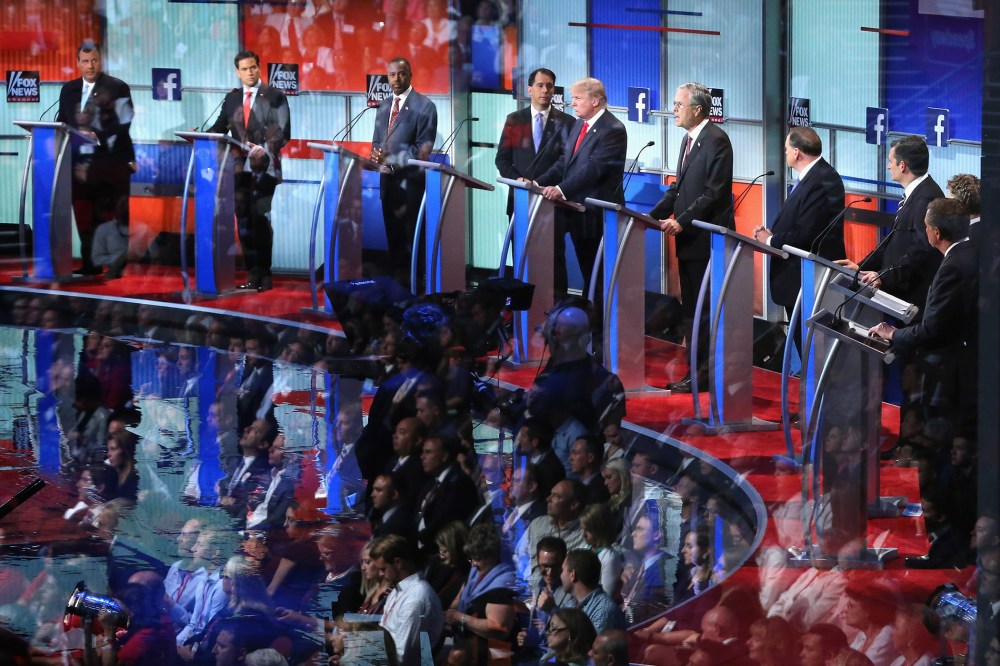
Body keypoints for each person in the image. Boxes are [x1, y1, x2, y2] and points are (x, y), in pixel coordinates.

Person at [648, 82, 734, 392]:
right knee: (691, 311)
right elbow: (678, 189)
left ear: (697, 110)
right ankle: (695, 374)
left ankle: (705, 377)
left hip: (706, 243)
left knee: (704, 312)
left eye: (678, 105)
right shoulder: (688, 140)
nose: (673, 110)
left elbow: (714, 193)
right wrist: (651, 216)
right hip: (689, 243)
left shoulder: (717, 141)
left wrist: (681, 222)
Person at [868, 198, 977, 435]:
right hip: (965, 363)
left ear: (936, 232)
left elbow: (932, 328)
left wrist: (893, 333)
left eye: (926, 227)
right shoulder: (972, 251)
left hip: (949, 369)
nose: (925, 230)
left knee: (939, 435)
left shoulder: (952, 266)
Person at [534, 77, 627, 299]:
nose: (572, 103)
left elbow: (594, 169)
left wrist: (560, 189)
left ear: (595, 100)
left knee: (596, 274)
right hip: (573, 209)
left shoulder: (613, 129)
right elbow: (565, 162)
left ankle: (599, 326)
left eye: (577, 98)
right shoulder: (579, 124)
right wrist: (538, 182)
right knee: (581, 269)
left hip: (596, 215)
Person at [207, 49, 291, 292]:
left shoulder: (275, 96)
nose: (250, 72)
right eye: (244, 69)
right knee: (243, 221)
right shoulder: (232, 98)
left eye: (253, 67)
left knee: (260, 220)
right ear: (238, 72)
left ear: (259, 66)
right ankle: (252, 273)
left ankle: (265, 274)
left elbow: (283, 133)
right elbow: (218, 127)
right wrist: (201, 135)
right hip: (236, 169)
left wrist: (264, 149)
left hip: (265, 169)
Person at [56, 40, 137, 276]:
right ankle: (90, 263)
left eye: (94, 60)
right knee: (82, 213)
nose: (90, 65)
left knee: (107, 214)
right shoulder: (68, 89)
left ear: (101, 61)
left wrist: (96, 135)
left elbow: (124, 122)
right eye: (85, 61)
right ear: (78, 63)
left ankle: (113, 263)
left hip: (109, 161)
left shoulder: (117, 87)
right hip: (78, 164)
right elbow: (63, 121)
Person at [752, 126, 846, 319]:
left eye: (787, 149)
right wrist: (773, 236)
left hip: (808, 279)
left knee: (809, 345)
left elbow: (807, 234)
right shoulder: (815, 176)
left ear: (796, 152)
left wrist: (770, 240)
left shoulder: (820, 180)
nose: (785, 153)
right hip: (799, 277)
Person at [494, 66, 572, 282]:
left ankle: (557, 311)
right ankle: (520, 312)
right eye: (540, 85)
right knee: (521, 257)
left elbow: (565, 162)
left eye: (549, 86)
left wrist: (537, 183)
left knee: (555, 261)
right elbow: (502, 159)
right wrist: (519, 181)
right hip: (520, 201)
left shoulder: (567, 123)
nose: (545, 90)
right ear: (530, 89)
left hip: (551, 202)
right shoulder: (514, 120)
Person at [851, 135, 945, 315]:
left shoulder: (926, 197)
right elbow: (891, 243)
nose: (888, 166)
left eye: (890, 161)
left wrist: (884, 276)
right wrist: (860, 268)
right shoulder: (916, 193)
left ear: (902, 166)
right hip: (899, 293)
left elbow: (921, 250)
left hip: (913, 299)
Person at [370, 57, 438, 287]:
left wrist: (392, 158)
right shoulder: (383, 106)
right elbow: (377, 141)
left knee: (412, 241)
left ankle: (415, 288)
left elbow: (422, 150)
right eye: (391, 74)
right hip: (387, 182)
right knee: (394, 239)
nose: (396, 79)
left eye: (401, 74)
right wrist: (376, 156)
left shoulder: (425, 106)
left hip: (411, 186)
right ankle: (397, 287)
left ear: (410, 75)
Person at [444, 524, 518, 664]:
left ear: (493, 556)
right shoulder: (475, 572)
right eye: (471, 559)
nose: (473, 564)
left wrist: (460, 617)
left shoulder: (504, 583)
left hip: (491, 657)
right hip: (467, 645)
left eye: (477, 559)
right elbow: (458, 599)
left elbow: (498, 629)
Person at [372, 534, 443, 666]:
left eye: (383, 569)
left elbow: (402, 656)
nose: (380, 574)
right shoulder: (397, 591)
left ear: (398, 562)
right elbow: (382, 635)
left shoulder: (417, 598)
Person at [414, 435, 480, 550]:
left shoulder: (459, 482)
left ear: (444, 456)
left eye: (428, 452)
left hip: (442, 547)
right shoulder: (430, 484)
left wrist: (420, 537)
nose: (422, 457)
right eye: (422, 452)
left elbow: (445, 518)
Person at [528, 480, 587, 588]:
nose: (548, 499)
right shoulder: (537, 524)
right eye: (550, 494)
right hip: (527, 588)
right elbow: (519, 556)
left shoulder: (585, 534)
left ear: (573, 505)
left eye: (556, 496)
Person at [560, 548, 626, 633]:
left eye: (562, 570)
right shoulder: (571, 604)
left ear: (572, 574)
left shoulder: (603, 611)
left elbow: (592, 645)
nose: (560, 575)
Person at [578, 503, 623, 600]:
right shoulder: (583, 548)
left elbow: (606, 595)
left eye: (588, 530)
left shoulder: (610, 557)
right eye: (582, 529)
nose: (583, 534)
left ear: (600, 528)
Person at [568, 436, 610, 505]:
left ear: (590, 458)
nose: (570, 458)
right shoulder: (576, 483)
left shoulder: (599, 491)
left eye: (575, 453)